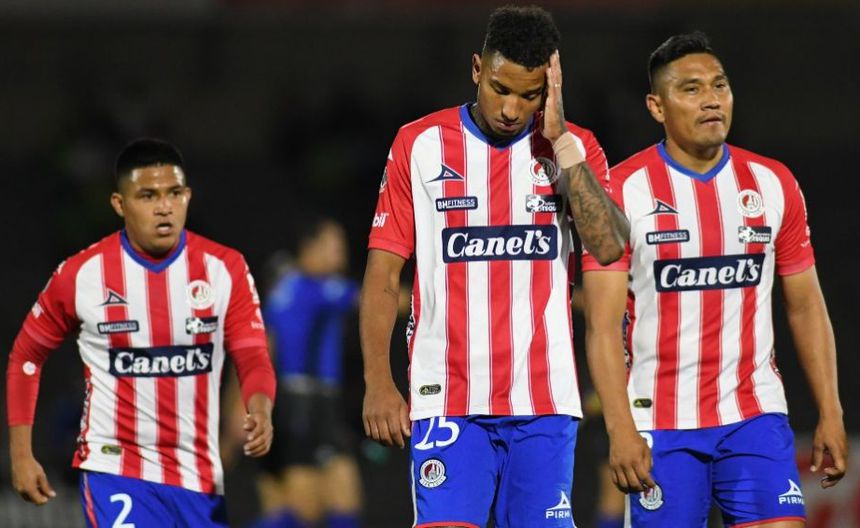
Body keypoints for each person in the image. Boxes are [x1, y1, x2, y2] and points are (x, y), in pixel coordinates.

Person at [360, 5, 629, 527]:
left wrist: (560, 139)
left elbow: (610, 246)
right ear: (477, 69)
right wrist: (378, 380)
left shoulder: (573, 149)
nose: (511, 109)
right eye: (500, 89)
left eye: (529, 96)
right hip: (447, 398)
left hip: (544, 403)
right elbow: (383, 274)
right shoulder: (419, 144)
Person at [582, 31, 847, 527]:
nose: (711, 99)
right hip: (659, 422)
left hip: (753, 415)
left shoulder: (772, 183)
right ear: (656, 107)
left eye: (719, 85)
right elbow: (601, 325)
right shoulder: (621, 192)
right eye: (691, 88)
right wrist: (620, 428)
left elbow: (806, 304)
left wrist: (830, 409)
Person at [6, 138, 276, 527]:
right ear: (120, 204)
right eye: (148, 196)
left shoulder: (225, 269)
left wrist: (260, 407)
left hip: (198, 478)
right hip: (116, 469)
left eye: (174, 193)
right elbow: (27, 358)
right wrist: (21, 454)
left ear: (187, 196)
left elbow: (252, 353)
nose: (164, 207)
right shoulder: (81, 275)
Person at [253, 216, 363, 528]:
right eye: (334, 245)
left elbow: (263, 346)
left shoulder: (286, 287)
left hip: (295, 403)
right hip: (304, 404)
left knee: (331, 501)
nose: (342, 253)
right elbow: (376, 299)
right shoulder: (317, 288)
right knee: (311, 509)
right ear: (310, 247)